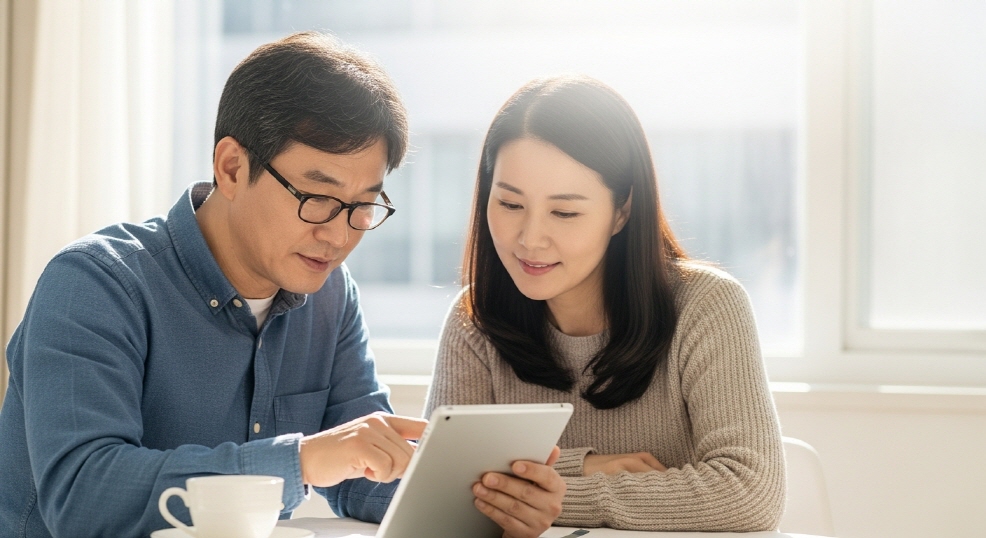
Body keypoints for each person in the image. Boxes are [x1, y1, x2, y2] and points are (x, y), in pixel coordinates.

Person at [0, 32, 431, 537]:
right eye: (317, 196)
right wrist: (301, 461)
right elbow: (84, 497)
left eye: (364, 207)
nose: (338, 235)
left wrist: (474, 494)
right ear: (231, 168)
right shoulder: (95, 284)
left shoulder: (330, 296)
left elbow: (364, 471)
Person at [425, 75, 786, 532]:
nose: (530, 239)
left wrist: (559, 498)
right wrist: (589, 465)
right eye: (510, 204)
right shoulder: (474, 321)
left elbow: (749, 493)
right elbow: (440, 493)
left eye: (565, 212)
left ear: (622, 211)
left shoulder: (706, 307)